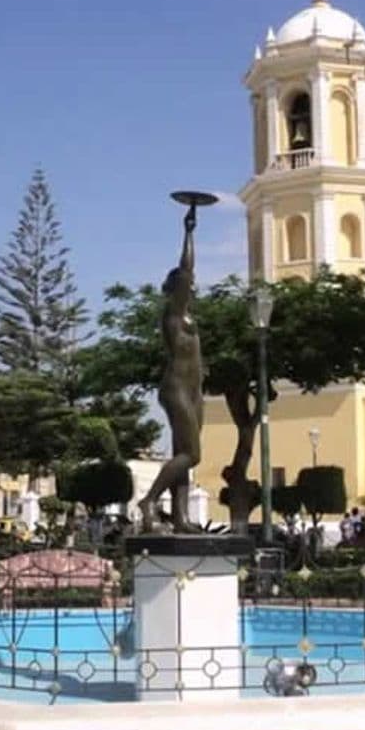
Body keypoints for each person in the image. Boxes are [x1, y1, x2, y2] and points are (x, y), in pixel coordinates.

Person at [138, 203, 204, 531]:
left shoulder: (190, 314)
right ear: (177, 288)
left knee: (183, 454)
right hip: (176, 387)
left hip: (194, 391)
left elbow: (189, 274)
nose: (192, 285)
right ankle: (149, 500)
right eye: (186, 283)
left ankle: (180, 517)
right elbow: (187, 268)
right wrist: (188, 233)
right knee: (192, 454)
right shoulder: (173, 314)